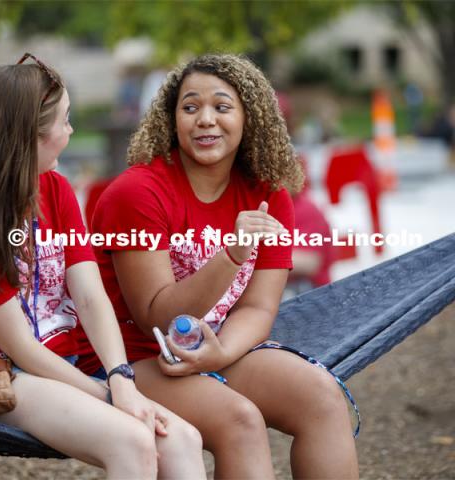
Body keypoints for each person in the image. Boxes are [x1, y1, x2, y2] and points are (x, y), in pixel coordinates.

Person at [76, 53, 359, 479]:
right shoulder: (136, 193)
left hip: (215, 346)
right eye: (190, 107)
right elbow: (157, 315)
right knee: (240, 420)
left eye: (222, 107)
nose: (205, 119)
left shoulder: (268, 194)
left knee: (322, 395)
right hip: (129, 359)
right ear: (172, 120)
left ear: (250, 118)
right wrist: (231, 255)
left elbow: (259, 307)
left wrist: (220, 352)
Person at [0, 54, 205, 480]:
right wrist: (109, 396)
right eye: (65, 121)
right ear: (30, 136)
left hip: (71, 364)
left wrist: (121, 378)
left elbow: (89, 293)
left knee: (183, 440)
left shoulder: (57, 190)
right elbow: (21, 347)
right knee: (133, 438)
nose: (71, 131)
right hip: (3, 375)